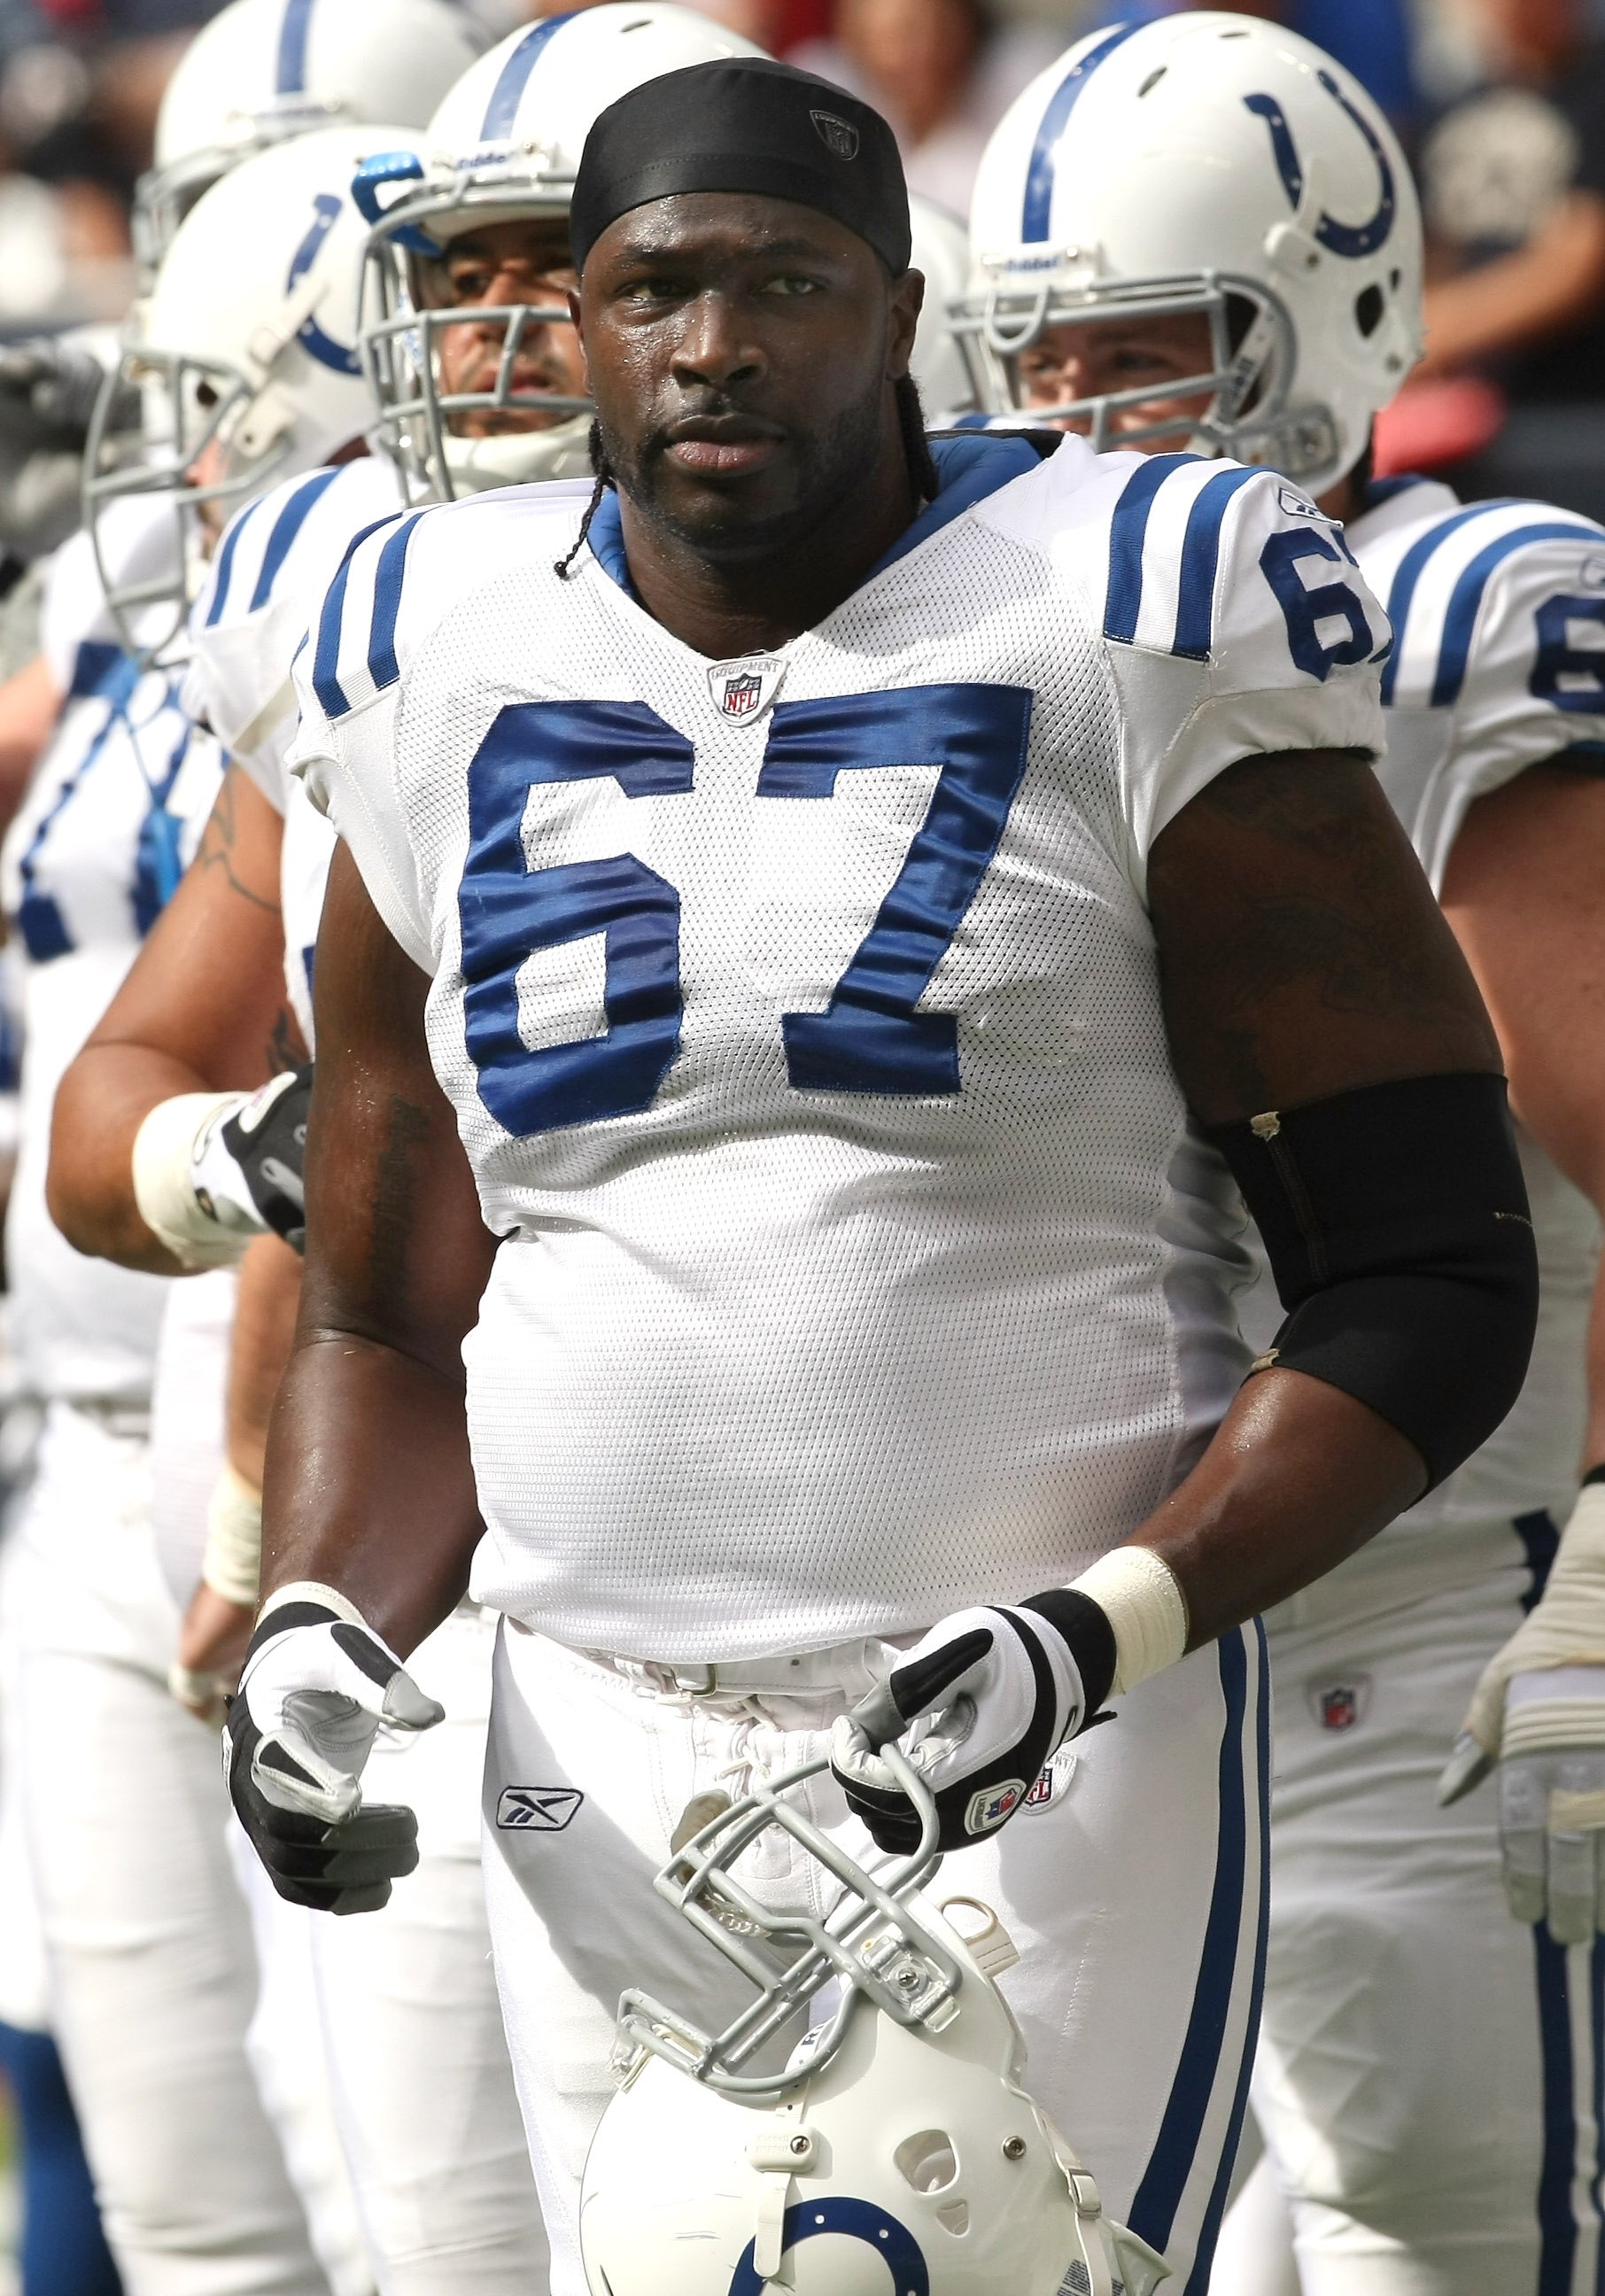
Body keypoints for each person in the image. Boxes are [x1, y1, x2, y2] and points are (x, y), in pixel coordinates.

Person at [215, 51, 1538, 2292]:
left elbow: (1424, 1268)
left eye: (782, 283)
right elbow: (381, 1303)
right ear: (589, 323)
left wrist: (1094, 1623)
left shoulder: (1130, 600)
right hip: (574, 1738)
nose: (713, 342)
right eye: (652, 288)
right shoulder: (421, 641)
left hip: (1034, 1735)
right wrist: (321, 1613)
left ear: (898, 304)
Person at [961, 11, 1605, 2286]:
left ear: (1332, 317)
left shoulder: (1443, 617)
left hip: (1402, 1606)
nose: (1077, 432)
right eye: (1030, 368)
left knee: (1426, 2238)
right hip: (1081, 1640)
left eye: (1148, 358)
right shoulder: (992, 645)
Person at [1414, 0, 1605, 516]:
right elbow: (1433, 251)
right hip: (1462, 416)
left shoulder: (1592, 94)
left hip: (1571, 416)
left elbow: (1574, 268)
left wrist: (1434, 332)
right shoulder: (1455, 110)